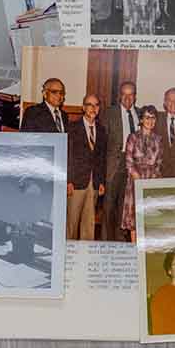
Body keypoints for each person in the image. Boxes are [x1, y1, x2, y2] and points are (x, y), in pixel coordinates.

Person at [101, 81, 140, 242]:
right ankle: (104, 242)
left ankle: (119, 241)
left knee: (124, 207)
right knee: (109, 207)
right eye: (124, 94)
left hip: (133, 166)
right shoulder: (109, 113)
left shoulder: (140, 113)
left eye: (131, 94)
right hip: (114, 165)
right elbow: (102, 143)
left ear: (135, 97)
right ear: (119, 96)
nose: (127, 98)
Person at [66, 94, 107, 240]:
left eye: (96, 105)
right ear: (83, 107)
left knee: (89, 225)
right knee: (71, 223)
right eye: (89, 104)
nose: (93, 108)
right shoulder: (72, 128)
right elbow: (68, 155)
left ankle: (85, 257)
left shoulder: (102, 130)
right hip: (76, 183)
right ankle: (68, 257)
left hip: (94, 183)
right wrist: (68, 180)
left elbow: (101, 158)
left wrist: (101, 181)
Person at [120, 105, 163, 243]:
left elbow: (158, 164)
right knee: (134, 219)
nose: (150, 121)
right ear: (141, 119)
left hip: (152, 181)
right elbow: (128, 163)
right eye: (147, 117)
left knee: (148, 218)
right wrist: (139, 181)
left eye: (153, 118)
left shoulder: (158, 139)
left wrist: (151, 182)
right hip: (135, 181)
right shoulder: (132, 137)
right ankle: (134, 249)